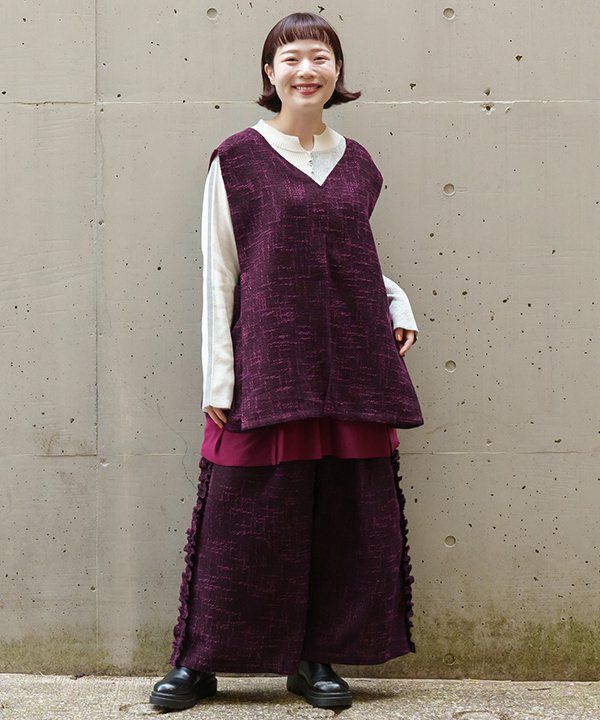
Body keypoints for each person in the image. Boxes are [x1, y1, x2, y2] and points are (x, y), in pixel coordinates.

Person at [150, 11, 424, 712]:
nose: (307, 70)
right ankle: (200, 661)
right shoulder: (238, 159)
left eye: (320, 57)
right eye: (292, 57)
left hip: (353, 364)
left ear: (338, 71)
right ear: (270, 73)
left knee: (343, 515)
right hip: (269, 364)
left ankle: (315, 658)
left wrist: (395, 303)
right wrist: (220, 378)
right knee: (243, 519)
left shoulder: (358, 162)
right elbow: (221, 272)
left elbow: (346, 255)